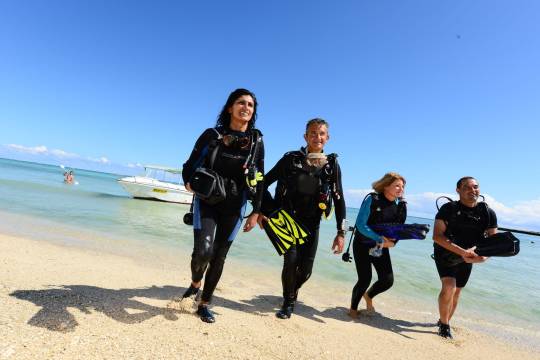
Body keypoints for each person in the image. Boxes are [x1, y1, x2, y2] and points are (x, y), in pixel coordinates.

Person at [179, 88, 265, 323]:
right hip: (208, 202)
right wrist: (189, 182)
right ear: (230, 107)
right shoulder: (212, 135)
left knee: (219, 257)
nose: (246, 107)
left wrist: (256, 211)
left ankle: (204, 303)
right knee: (203, 252)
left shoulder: (256, 141)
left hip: (236, 206)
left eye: (250, 105)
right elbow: (189, 164)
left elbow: (260, 178)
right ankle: (195, 284)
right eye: (241, 103)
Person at [259, 118, 346, 319]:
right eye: (313, 133)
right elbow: (264, 182)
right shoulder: (290, 159)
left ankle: (291, 290)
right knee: (290, 261)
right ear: (305, 136)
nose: (317, 137)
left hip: (312, 223)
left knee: (306, 271)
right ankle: (288, 302)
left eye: (321, 133)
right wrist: (265, 211)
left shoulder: (332, 166)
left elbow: (339, 200)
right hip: (287, 219)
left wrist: (341, 232)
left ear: (328, 138)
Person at [432, 176, 497, 339]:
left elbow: (493, 242)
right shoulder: (448, 209)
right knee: (449, 286)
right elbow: (437, 236)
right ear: (458, 190)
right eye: (467, 187)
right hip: (445, 253)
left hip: (469, 257)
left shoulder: (487, 213)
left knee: (457, 292)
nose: (472, 190)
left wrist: (483, 258)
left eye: (475, 187)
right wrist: (461, 251)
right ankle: (445, 327)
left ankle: (444, 320)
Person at [348, 173, 406, 318]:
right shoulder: (372, 199)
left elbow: (398, 229)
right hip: (362, 244)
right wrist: (379, 238)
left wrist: (393, 242)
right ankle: (353, 310)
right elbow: (361, 225)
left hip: (380, 247)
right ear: (386, 186)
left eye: (403, 186)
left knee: (387, 280)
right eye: (397, 185)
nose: (401, 189)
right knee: (365, 279)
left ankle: (368, 295)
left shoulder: (399, 206)